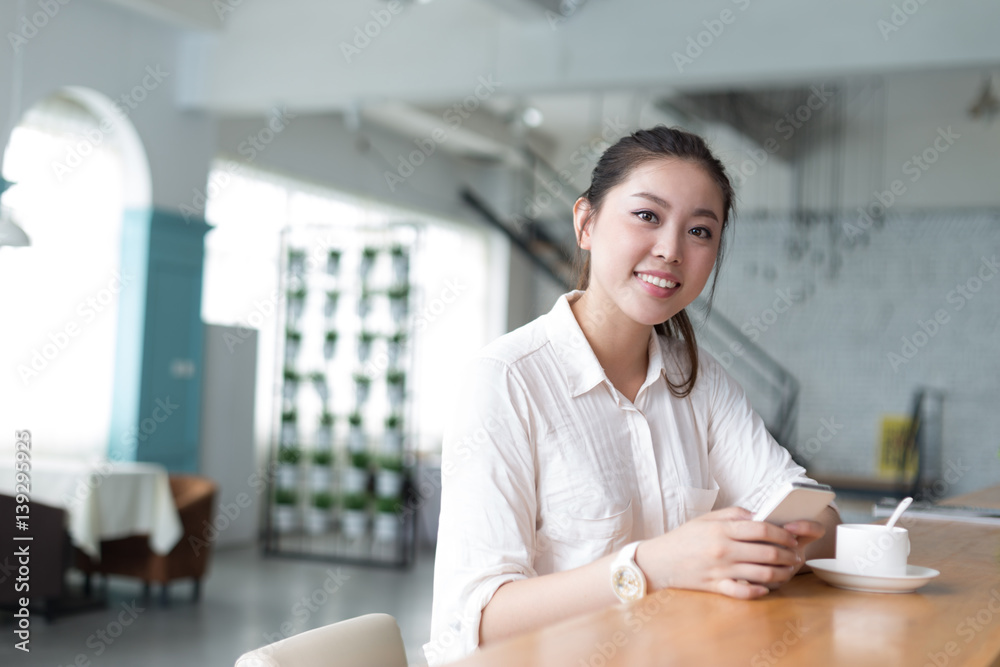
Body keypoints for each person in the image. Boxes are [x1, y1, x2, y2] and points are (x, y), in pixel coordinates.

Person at [424, 126, 840, 665]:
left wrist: (778, 548)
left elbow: (817, 518)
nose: (670, 250)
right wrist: (653, 566)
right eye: (647, 216)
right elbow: (477, 621)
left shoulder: (700, 380)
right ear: (586, 223)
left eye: (699, 231)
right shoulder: (505, 380)